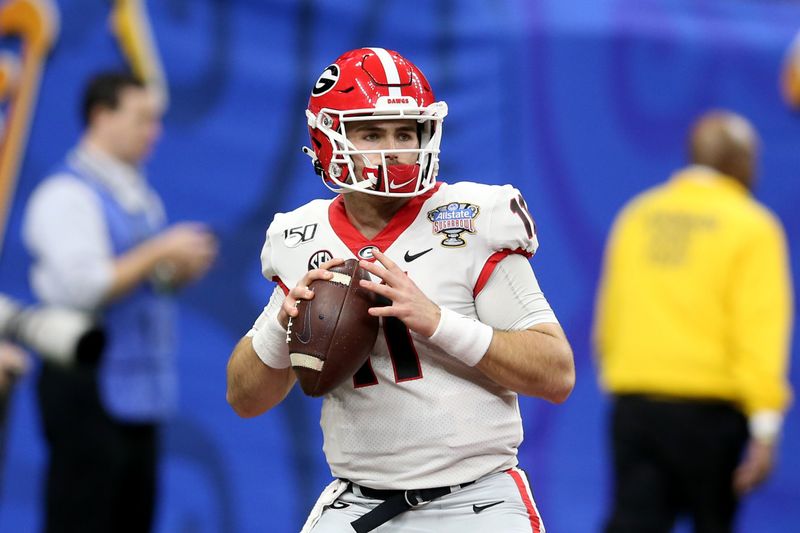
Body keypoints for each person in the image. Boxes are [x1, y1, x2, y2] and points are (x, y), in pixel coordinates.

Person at [226, 48, 575, 533]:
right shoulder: (297, 236)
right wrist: (282, 324)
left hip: (474, 505)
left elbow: (556, 373)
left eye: (405, 132)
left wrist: (437, 321)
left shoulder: (473, 219)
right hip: (356, 504)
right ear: (328, 138)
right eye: (372, 133)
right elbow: (244, 399)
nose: (394, 149)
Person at [22, 72, 218, 533]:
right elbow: (83, 287)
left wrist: (173, 273)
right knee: (82, 516)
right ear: (101, 115)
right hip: (85, 383)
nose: (154, 132)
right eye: (142, 119)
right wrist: (158, 252)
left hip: (135, 394)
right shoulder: (65, 195)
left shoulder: (135, 193)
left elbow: (140, 281)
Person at [593, 110, 793, 533]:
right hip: (711, 416)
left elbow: (609, 316)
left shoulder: (639, 215)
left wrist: (620, 382)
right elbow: (758, 331)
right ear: (739, 163)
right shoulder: (752, 227)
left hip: (636, 405)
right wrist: (766, 425)